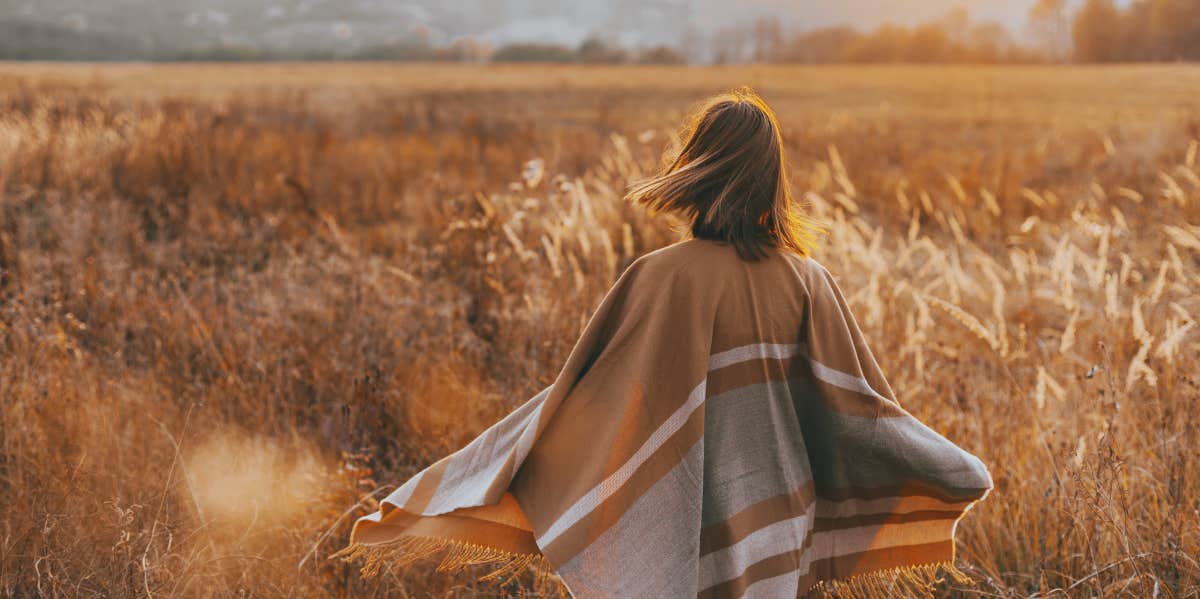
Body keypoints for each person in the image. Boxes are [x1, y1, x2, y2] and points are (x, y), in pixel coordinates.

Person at [338, 87, 992, 598]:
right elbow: (865, 415)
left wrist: (464, 478)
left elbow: (579, 404)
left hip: (681, 522)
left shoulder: (658, 278)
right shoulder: (808, 283)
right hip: (779, 529)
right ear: (771, 177)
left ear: (697, 169)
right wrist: (951, 467)